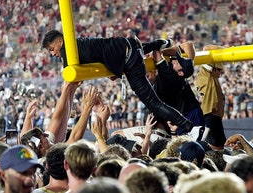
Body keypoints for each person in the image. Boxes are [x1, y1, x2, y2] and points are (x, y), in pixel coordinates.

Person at [42, 30, 194, 134]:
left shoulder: (66, 52)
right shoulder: (78, 43)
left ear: (60, 41)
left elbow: (71, 79)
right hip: (129, 46)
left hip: (130, 60)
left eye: (52, 48)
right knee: (155, 101)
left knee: (154, 104)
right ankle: (160, 43)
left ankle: (189, 127)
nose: (52, 53)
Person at [151, 41, 205, 130]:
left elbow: (155, 54)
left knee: (187, 142)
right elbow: (189, 45)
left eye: (179, 62)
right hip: (191, 112)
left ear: (180, 72)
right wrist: (173, 50)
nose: (176, 60)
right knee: (198, 141)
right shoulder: (182, 73)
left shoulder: (169, 74)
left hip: (185, 116)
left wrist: (162, 48)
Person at [196, 45, 227, 150]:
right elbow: (206, 48)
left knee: (220, 145)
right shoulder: (207, 74)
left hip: (214, 116)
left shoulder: (213, 79)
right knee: (214, 146)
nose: (220, 73)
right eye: (219, 70)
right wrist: (225, 48)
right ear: (213, 69)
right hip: (209, 116)